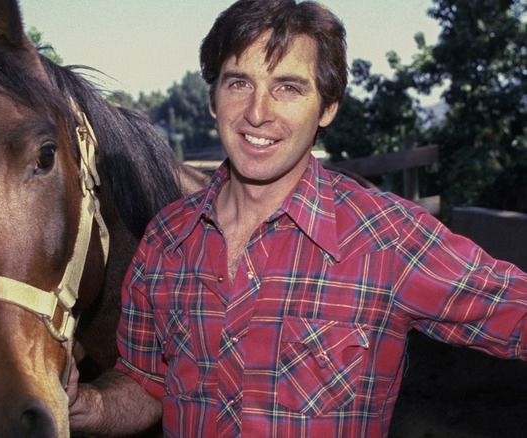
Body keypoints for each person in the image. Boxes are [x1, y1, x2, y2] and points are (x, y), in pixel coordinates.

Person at [67, 0, 527, 436]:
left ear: (327, 108)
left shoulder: (388, 237)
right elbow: (148, 383)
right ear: (213, 99)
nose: (257, 112)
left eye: (288, 87)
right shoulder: (166, 239)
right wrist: (89, 405)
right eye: (238, 82)